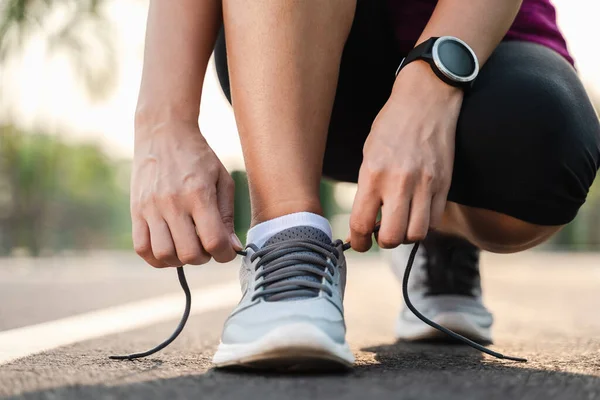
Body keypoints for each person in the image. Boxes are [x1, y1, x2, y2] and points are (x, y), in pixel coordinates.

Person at [131, 0, 600, 369]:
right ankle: (289, 240)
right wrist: (165, 122)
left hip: (482, 34)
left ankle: (433, 225)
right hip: (296, 42)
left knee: (541, 146)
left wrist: (429, 89)